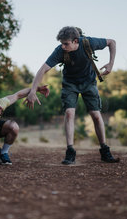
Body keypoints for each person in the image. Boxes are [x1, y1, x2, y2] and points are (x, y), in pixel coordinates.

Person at [24, 26, 119, 165]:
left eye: (66, 44)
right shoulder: (59, 51)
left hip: (89, 83)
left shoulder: (89, 43)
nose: (62, 46)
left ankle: (105, 150)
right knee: (69, 113)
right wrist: (33, 91)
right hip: (70, 84)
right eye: (61, 43)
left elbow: (112, 42)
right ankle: (70, 152)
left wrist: (111, 64)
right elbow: (43, 69)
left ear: (76, 41)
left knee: (96, 116)